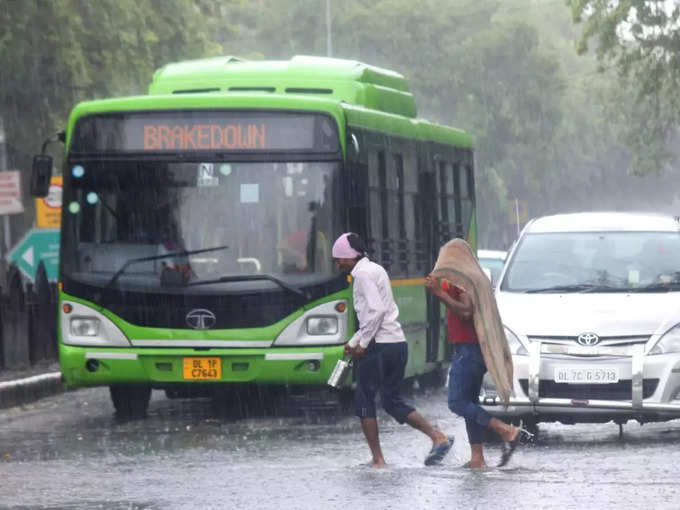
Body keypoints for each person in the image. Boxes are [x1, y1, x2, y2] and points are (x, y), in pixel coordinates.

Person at [332, 232, 453, 468]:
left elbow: (375, 312)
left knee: (364, 400)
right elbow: (379, 313)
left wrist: (363, 344)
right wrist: (355, 340)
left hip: (380, 347)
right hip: (396, 343)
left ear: (350, 257)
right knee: (391, 400)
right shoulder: (375, 269)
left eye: (340, 259)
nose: (338, 264)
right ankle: (438, 437)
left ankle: (378, 460)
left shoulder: (362, 275)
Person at [425, 271, 528, 469]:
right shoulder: (467, 278)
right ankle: (477, 458)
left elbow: (466, 311)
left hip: (468, 350)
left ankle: (505, 430)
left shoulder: (461, 280)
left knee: (456, 402)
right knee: (469, 404)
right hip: (473, 349)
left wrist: (440, 293)